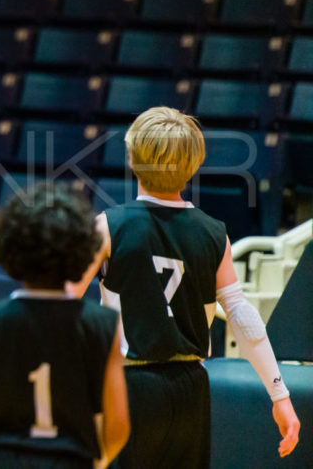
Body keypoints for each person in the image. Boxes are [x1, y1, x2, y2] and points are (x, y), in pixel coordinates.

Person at [71, 106, 300, 467]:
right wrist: (279, 394)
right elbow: (242, 316)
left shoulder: (108, 226)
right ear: (194, 165)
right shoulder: (214, 232)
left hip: (131, 387)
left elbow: (62, 301)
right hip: (191, 389)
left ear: (132, 158)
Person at [0, 183, 130, 469]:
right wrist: (95, 461)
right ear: (82, 249)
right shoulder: (104, 324)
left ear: (9, 247)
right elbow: (118, 427)